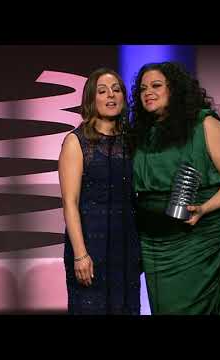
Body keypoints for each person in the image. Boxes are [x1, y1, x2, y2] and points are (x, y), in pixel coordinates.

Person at [130, 61, 220, 315]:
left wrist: (204, 208)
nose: (148, 92)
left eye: (156, 86)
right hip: (154, 241)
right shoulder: (140, 134)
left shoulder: (204, 125)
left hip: (199, 237)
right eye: (142, 89)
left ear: (174, 90)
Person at [58, 68, 141, 314]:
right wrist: (81, 254)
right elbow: (69, 202)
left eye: (116, 90)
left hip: (126, 246)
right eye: (102, 91)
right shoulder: (76, 141)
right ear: (91, 99)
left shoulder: (133, 140)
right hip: (89, 246)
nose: (111, 96)